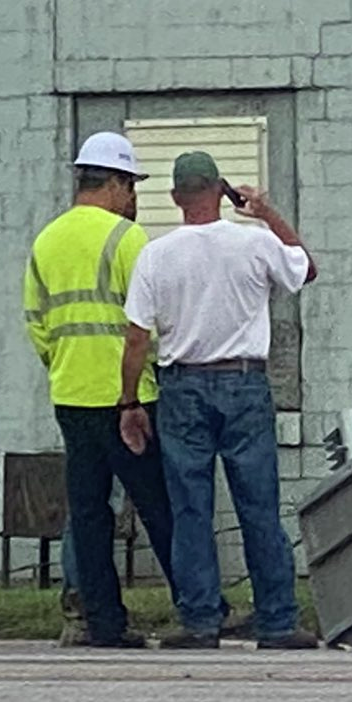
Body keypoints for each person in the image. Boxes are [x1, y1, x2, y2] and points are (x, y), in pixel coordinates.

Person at [118, 152, 319, 651]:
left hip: (183, 385)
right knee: (260, 505)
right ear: (220, 190)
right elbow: (306, 270)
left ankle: (200, 619)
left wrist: (129, 403)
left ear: (175, 198)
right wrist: (267, 211)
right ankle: (276, 621)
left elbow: (136, 338)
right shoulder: (254, 242)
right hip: (245, 382)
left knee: (190, 507)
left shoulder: (156, 255)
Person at [24, 132, 180, 649]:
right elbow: (150, 324)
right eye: (131, 186)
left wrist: (64, 365)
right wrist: (147, 378)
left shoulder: (46, 241)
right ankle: (194, 607)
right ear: (111, 183)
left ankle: (103, 622)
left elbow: (37, 323)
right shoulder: (126, 239)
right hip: (127, 397)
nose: (133, 198)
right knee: (158, 506)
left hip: (70, 393)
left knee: (89, 513)